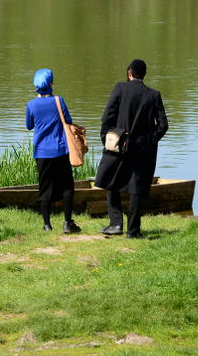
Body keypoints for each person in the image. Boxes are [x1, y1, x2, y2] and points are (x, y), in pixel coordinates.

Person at [95, 59, 168, 238]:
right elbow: (163, 125)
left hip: (118, 145)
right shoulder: (154, 95)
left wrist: (106, 137)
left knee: (111, 179)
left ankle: (115, 224)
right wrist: (150, 140)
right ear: (144, 75)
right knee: (137, 187)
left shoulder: (120, 88)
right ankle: (133, 231)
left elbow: (108, 116)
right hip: (143, 150)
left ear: (129, 73)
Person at [25, 68, 81, 234]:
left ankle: (47, 224)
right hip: (61, 149)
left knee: (44, 187)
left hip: (42, 152)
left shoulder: (31, 105)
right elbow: (69, 121)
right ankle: (67, 223)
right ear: (51, 84)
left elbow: (29, 126)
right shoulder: (59, 101)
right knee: (67, 186)